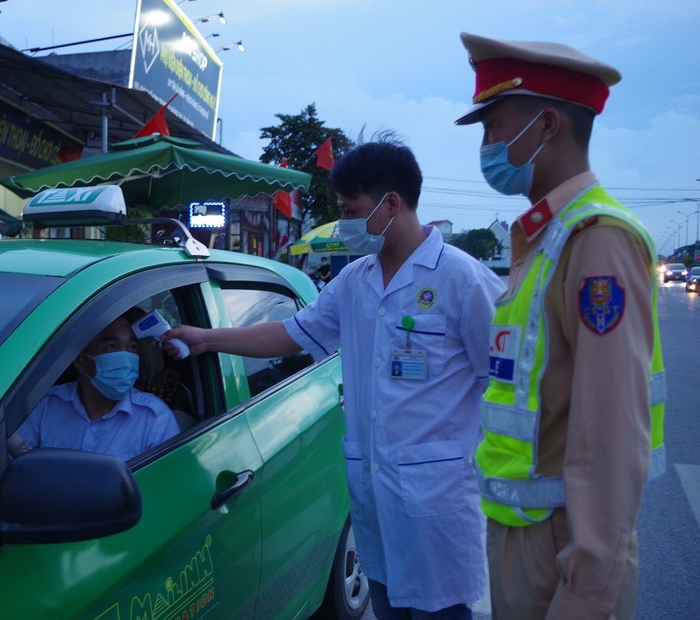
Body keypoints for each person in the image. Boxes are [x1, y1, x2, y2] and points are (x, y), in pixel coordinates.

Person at [166, 136, 505, 619]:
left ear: (391, 203)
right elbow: (289, 334)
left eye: (351, 209)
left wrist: (491, 467)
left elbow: (508, 383)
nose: (345, 222)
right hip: (374, 497)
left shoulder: (461, 280)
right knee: (386, 606)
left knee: (440, 613)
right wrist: (208, 338)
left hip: (438, 501)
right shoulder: (354, 280)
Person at [454, 33, 666, 618]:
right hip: (523, 531)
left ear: (547, 126)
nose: (487, 144)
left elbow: (611, 431)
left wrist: (591, 583)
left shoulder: (595, 239)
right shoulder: (545, 239)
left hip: (562, 550)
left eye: (493, 126)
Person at [13, 309, 181, 461]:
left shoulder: (154, 418)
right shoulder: (44, 405)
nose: (125, 358)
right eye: (111, 347)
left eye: (132, 347)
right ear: (80, 361)